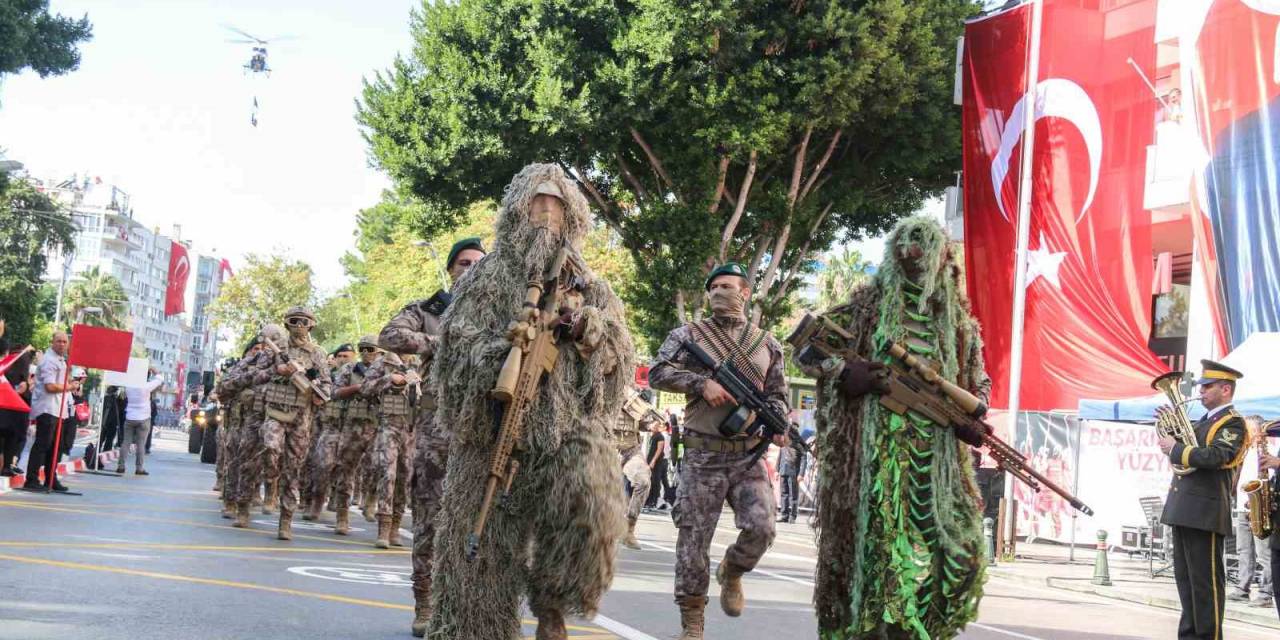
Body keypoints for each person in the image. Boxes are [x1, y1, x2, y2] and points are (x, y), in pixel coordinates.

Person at [425, 164, 635, 640]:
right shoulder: (486, 278)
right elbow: (454, 346)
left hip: (567, 429)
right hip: (495, 431)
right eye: (536, 204)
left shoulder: (592, 285)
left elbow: (622, 358)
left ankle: (554, 606)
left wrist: (589, 331)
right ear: (515, 212)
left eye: (556, 206)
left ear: (573, 215)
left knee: (594, 506)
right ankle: (477, 629)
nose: (545, 215)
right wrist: (504, 348)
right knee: (480, 552)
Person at [798, 217, 989, 639]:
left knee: (962, 556)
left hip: (937, 467)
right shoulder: (864, 311)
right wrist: (845, 371)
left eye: (924, 253)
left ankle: (916, 629)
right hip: (872, 463)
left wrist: (973, 418)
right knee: (877, 562)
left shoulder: (958, 328)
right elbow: (806, 348)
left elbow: (979, 385)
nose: (914, 261)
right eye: (906, 252)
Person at [648, 261, 791, 640]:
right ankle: (692, 621)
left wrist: (777, 424)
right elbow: (657, 371)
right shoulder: (688, 334)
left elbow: (778, 395)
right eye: (713, 288)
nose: (719, 293)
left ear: (745, 292)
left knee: (762, 527)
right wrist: (699, 384)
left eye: (727, 286)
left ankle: (733, 570)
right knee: (693, 541)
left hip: (747, 455)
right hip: (703, 454)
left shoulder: (767, 343)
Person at [376, 236, 485, 636]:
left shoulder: (500, 314)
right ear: (451, 269)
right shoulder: (430, 309)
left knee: (481, 522)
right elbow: (390, 336)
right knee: (430, 519)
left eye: (478, 264)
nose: (471, 270)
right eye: (464, 264)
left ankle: (466, 606)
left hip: (483, 430)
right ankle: (425, 603)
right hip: (438, 429)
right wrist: (441, 343)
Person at [1157, 360, 1247, 640]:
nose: (1201, 391)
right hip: (1183, 508)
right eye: (1201, 386)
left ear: (1226, 389)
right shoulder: (1202, 422)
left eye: (1207, 387)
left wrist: (1176, 447)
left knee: (1205, 584)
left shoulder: (1233, 423)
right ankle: (1189, 636)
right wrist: (1167, 432)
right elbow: (1185, 452)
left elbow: (1218, 456)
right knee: (1186, 583)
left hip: (1205, 511)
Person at [233, 309, 331, 539]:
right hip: (274, 412)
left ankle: (285, 521)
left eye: (303, 322)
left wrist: (320, 395)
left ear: (311, 326)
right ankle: (251, 500)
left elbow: (327, 386)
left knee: (293, 469)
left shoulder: (317, 354)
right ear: (287, 325)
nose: (299, 325)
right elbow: (254, 375)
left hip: (300, 418)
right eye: (294, 321)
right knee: (270, 445)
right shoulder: (277, 350)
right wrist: (277, 370)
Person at [361, 351, 416, 549]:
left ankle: (395, 527)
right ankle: (383, 527)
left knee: (405, 477)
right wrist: (389, 379)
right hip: (388, 427)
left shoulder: (420, 362)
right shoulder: (382, 363)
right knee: (387, 473)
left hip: (412, 430)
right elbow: (365, 388)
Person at [328, 335, 382, 536]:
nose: (367, 353)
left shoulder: (388, 370)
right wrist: (357, 388)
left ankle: (371, 500)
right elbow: (334, 392)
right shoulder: (349, 370)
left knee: (380, 468)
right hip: (353, 426)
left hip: (378, 426)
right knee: (346, 471)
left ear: (379, 351)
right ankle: (342, 516)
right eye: (363, 349)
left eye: (371, 349)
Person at [301, 343, 355, 521]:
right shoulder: (326, 375)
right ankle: (315, 501)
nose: (343, 359)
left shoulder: (360, 374)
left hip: (352, 428)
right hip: (327, 426)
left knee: (346, 471)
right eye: (340, 356)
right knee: (321, 465)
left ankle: (342, 514)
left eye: (347, 356)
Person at [25, 331, 78, 492]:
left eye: (64, 341)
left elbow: (60, 381)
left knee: (56, 446)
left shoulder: (60, 360)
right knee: (43, 444)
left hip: (58, 409)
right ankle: (32, 479)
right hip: (47, 408)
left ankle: (51, 479)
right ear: (52, 342)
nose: (62, 344)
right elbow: (50, 386)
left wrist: (70, 381)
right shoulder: (49, 361)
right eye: (59, 341)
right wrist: (69, 387)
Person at [1231, 416, 1275, 608]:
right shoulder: (1245, 451)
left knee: (1263, 553)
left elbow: (1269, 481)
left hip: (1259, 509)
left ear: (1259, 431)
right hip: (1243, 506)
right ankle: (1242, 588)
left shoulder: (1268, 450)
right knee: (1243, 551)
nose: (1246, 434)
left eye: (1249, 430)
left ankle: (1266, 593)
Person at [617, 388, 654, 550]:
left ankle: (629, 528)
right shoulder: (598, 386)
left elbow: (646, 425)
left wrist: (650, 420)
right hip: (605, 446)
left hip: (630, 449)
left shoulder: (633, 396)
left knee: (643, 481)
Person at [118, 369, 164, 475]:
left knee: (126, 442)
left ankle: (121, 466)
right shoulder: (146, 387)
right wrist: (154, 370)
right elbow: (160, 378)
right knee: (141, 444)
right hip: (144, 418)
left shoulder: (128, 387)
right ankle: (139, 468)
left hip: (130, 418)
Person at [0, 346, 34, 476]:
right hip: (13, 410)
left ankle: (8, 465)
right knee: (13, 437)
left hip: (9, 409)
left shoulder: (7, 368)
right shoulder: (19, 370)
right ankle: (9, 465)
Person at [776, 424, 805, 524]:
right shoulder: (784, 444)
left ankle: (793, 516)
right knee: (784, 494)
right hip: (783, 471)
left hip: (794, 473)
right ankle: (784, 515)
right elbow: (779, 457)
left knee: (793, 495)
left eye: (786, 433)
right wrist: (777, 470)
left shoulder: (798, 445)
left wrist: (801, 473)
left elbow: (804, 458)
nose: (784, 434)